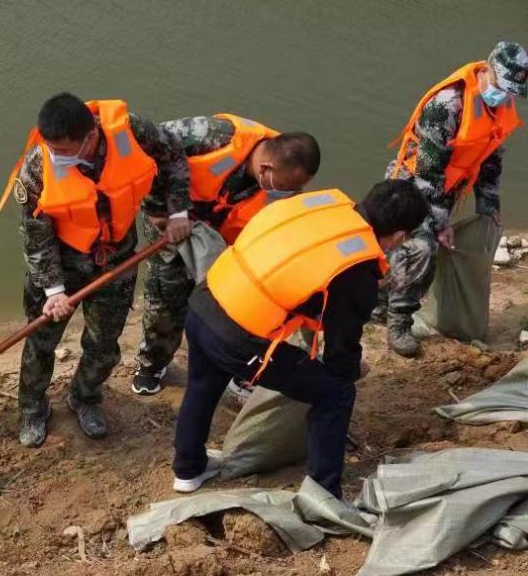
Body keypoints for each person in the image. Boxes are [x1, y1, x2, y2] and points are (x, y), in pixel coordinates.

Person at [172, 180, 428, 499]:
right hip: (235, 336)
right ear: (400, 236)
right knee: (336, 393)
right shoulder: (358, 268)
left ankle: (188, 469)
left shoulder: (325, 207)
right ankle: (323, 495)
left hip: (206, 298)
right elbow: (341, 351)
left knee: (202, 384)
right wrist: (349, 371)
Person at [0, 93, 192, 448]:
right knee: (41, 342)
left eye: (63, 149)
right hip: (60, 265)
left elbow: (173, 155)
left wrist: (177, 211)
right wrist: (54, 290)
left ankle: (85, 398)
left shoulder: (132, 131)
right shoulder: (37, 168)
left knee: (103, 344)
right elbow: (35, 236)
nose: (55, 155)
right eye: (50, 147)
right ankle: (32, 408)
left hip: (117, 260)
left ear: (90, 137)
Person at [131, 116, 321, 395]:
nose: (289, 193)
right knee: (166, 297)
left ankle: (236, 368)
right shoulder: (212, 136)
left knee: (235, 303)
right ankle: (152, 364)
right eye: (285, 187)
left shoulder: (285, 172)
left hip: (219, 234)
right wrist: (160, 210)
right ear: (266, 169)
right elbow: (147, 152)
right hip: (170, 223)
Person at [382, 41, 526, 357]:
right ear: (488, 69)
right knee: (421, 248)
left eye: (512, 91)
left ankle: (385, 296)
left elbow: (491, 159)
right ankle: (398, 320)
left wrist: (489, 206)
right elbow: (428, 174)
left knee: (434, 245)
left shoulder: (500, 106)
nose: (506, 95)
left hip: (447, 186)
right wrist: (440, 223)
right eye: (503, 86)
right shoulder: (447, 106)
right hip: (411, 186)